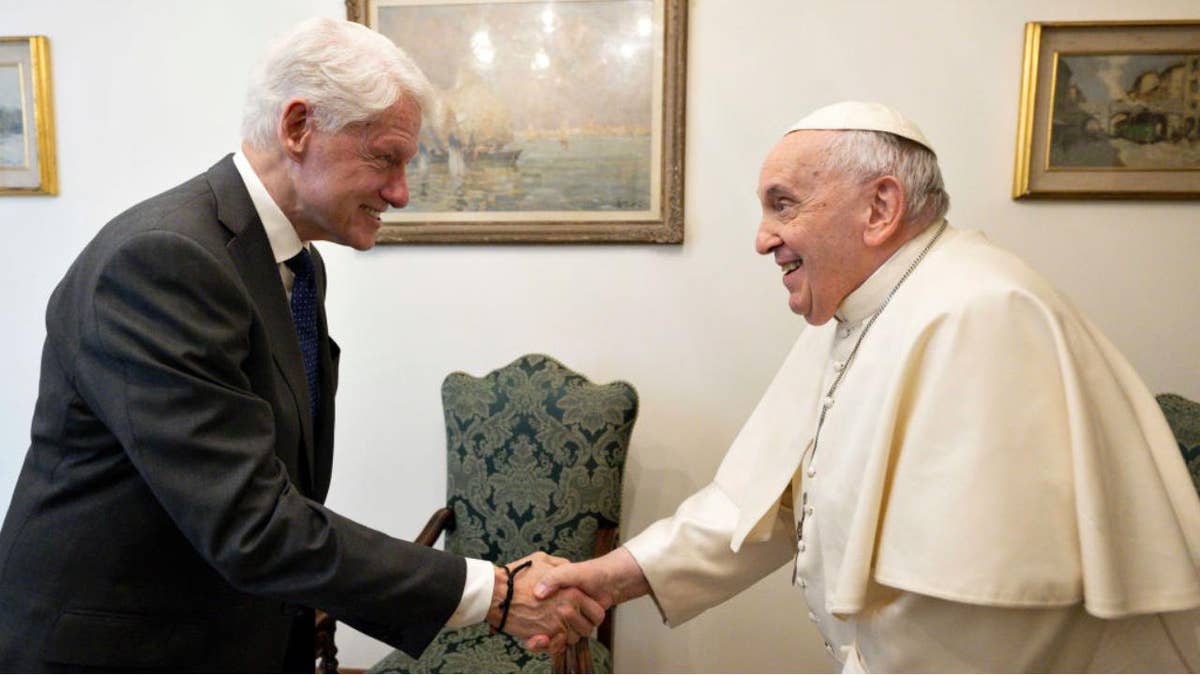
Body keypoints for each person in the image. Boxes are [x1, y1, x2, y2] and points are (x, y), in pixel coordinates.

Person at [0, 17, 599, 672]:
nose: (400, 192)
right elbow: (252, 523)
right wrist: (494, 591)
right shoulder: (163, 261)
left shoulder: (295, 265)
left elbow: (282, 490)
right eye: (386, 158)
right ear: (297, 128)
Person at [533, 101, 1200, 672]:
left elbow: (975, 623)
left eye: (783, 205)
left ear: (880, 206)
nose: (763, 238)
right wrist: (611, 575)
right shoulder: (865, 307)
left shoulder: (978, 314)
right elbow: (774, 501)